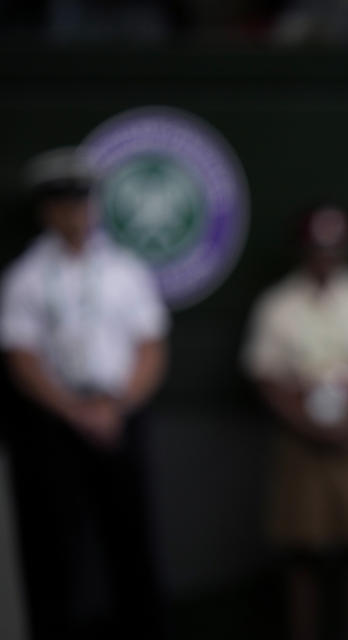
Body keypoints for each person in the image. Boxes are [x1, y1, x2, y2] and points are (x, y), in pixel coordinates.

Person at [0, 147, 169, 639]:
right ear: (46, 211)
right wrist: (74, 411)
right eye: (61, 204)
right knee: (54, 544)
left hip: (120, 414)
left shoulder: (126, 271)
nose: (73, 214)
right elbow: (22, 358)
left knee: (133, 539)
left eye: (81, 202)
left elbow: (150, 349)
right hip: (54, 421)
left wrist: (115, 407)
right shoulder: (25, 278)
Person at [241, 203, 348, 640]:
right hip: (302, 438)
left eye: (333, 248)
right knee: (303, 549)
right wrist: (303, 421)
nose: (325, 257)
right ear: (302, 250)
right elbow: (264, 375)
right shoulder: (278, 304)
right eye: (317, 248)